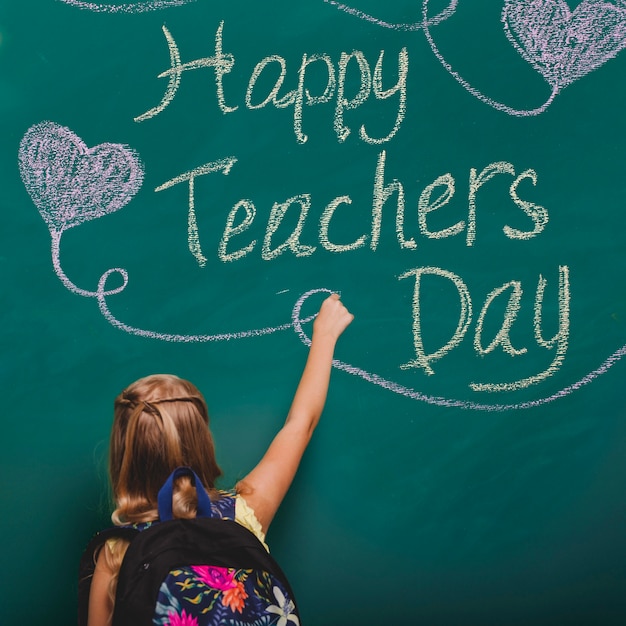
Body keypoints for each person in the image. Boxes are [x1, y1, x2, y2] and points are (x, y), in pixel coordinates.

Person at [86, 293, 353, 626]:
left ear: (124, 455)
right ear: (202, 440)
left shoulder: (117, 553)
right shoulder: (245, 515)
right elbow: (301, 424)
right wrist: (325, 336)